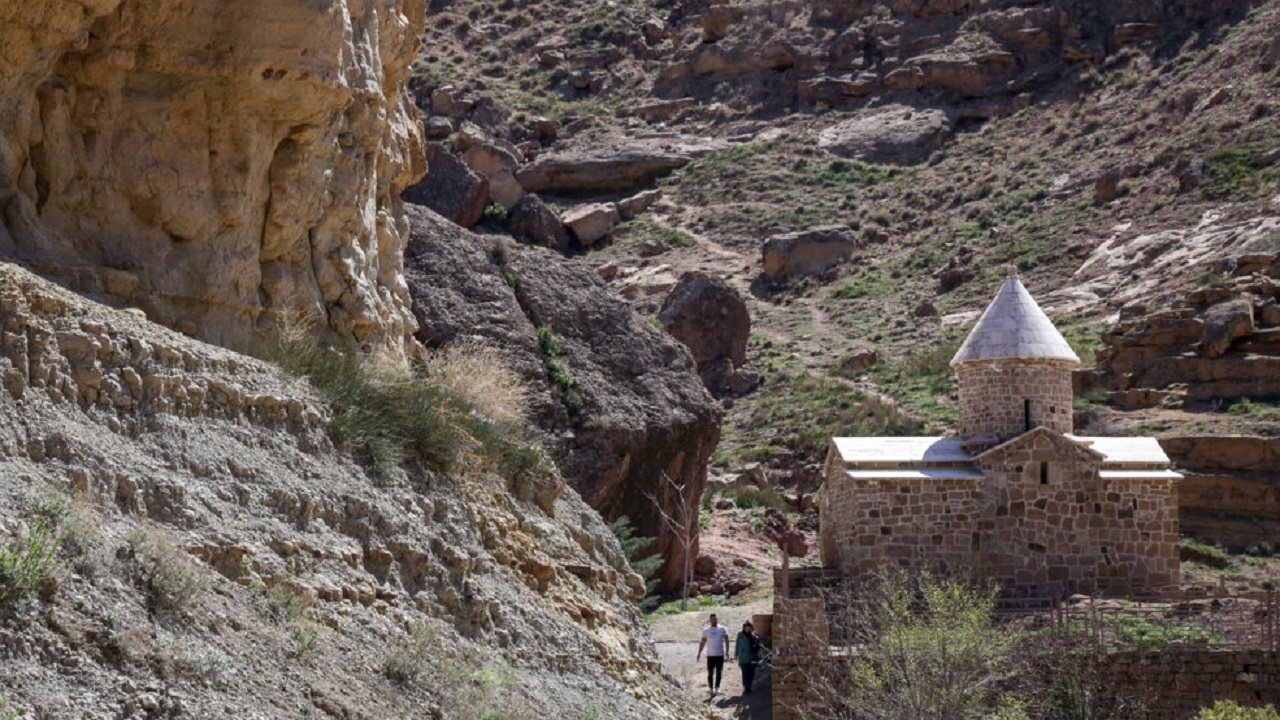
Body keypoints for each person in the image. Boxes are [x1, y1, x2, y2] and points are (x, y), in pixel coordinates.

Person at [696, 613, 729, 696]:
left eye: (716, 619)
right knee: (710, 672)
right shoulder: (706, 630)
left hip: (720, 655)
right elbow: (703, 642)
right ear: (710, 620)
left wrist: (727, 651)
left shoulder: (722, 629)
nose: (715, 620)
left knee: (719, 672)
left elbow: (727, 639)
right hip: (710, 655)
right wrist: (699, 652)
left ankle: (717, 688)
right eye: (713, 619)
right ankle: (711, 688)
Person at [735, 621, 762, 694]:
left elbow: (759, 644)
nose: (747, 629)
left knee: (752, 673)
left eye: (748, 627)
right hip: (743, 657)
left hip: (752, 658)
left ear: (751, 628)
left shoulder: (753, 636)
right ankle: (746, 688)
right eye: (746, 627)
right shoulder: (740, 635)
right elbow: (737, 644)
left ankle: (748, 686)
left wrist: (756, 636)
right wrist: (736, 654)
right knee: (745, 673)